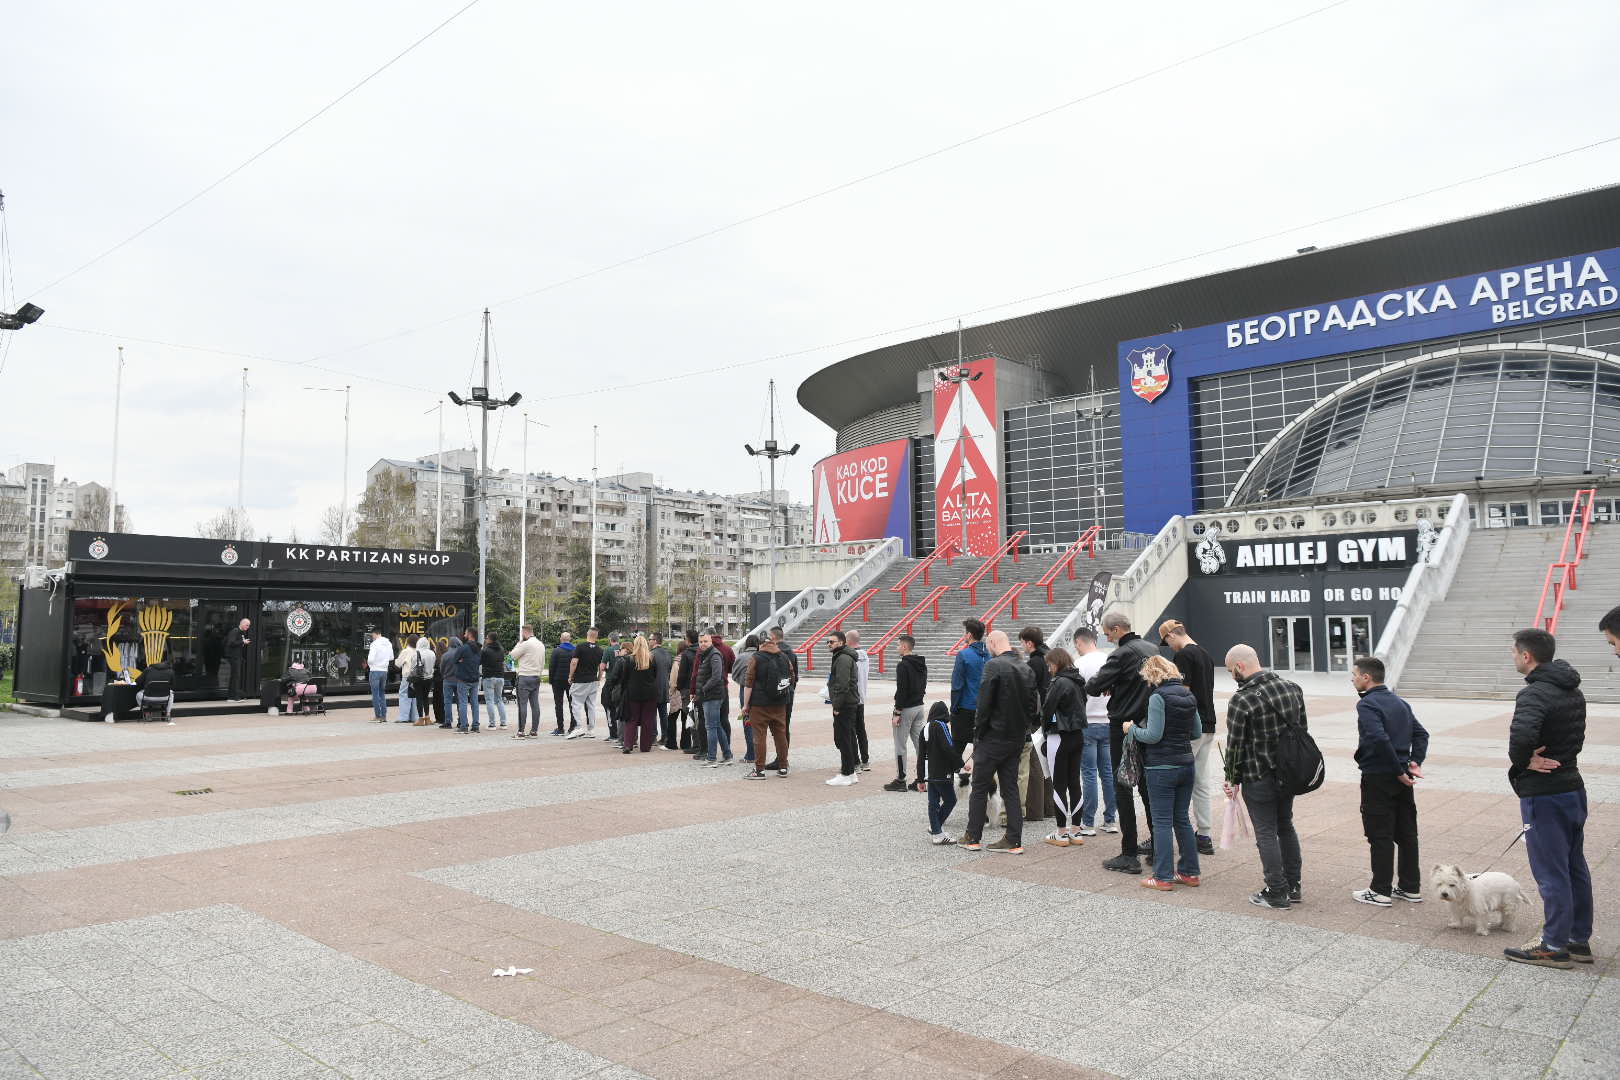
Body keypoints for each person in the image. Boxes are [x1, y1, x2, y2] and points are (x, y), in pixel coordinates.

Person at [1502, 628, 1591, 969]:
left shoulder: (1535, 694)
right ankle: (1577, 938)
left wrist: (1524, 760)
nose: (1512, 656)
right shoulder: (1571, 688)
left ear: (1527, 656)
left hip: (1545, 792)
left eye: (1514, 652)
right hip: (1572, 785)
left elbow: (1522, 736)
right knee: (1573, 865)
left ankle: (1554, 944)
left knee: (1551, 871)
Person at [1222, 643, 1308, 909]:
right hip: (1288, 773)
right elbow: (1302, 731)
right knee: (1286, 825)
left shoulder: (1242, 698)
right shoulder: (1293, 688)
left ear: (1240, 666)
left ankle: (1276, 890)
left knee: (1266, 832)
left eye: (1230, 671)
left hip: (1258, 774)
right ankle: (1293, 886)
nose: (1232, 676)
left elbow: (1235, 744)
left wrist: (1230, 778)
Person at [1349, 655, 1429, 907]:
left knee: (1379, 833)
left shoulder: (1367, 705)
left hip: (1380, 775)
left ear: (1366, 677)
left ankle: (1380, 889)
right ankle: (1410, 887)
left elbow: (1379, 738)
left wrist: (1397, 770)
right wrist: (1414, 762)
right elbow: (1421, 733)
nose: (1352, 679)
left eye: (1354, 675)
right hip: (1402, 775)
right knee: (1406, 832)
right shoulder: (1399, 702)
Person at [1084, 612, 1158, 874]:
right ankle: (1159, 847)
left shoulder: (1121, 654)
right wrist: (1116, 685)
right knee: (1149, 786)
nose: (1106, 637)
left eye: (1107, 633)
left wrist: (1110, 685)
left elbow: (1094, 686)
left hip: (1122, 724)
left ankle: (1129, 853)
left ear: (1116, 630)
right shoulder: (1151, 647)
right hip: (1148, 721)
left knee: (1122, 785)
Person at [1129, 655, 1201, 890]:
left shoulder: (1158, 697)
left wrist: (1132, 730)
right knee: (1182, 819)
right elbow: (1196, 733)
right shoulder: (1188, 694)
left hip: (1161, 767)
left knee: (1161, 822)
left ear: (1153, 675)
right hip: (1186, 764)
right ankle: (1189, 872)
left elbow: (1153, 735)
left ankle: (1162, 876)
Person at [960, 630, 1036, 853]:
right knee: (1010, 787)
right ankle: (1013, 839)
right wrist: (1024, 729)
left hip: (993, 736)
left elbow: (983, 705)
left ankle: (973, 836)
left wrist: (978, 734)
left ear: (992, 642)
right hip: (1015, 737)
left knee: (980, 786)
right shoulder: (1026, 667)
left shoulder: (994, 666)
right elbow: (1034, 706)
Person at [1159, 620, 1219, 855]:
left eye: (1167, 642)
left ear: (1172, 635)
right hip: (1208, 723)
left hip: (1190, 727)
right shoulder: (1205, 654)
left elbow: (1181, 693)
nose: (1169, 647)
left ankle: (1170, 833)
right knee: (1201, 782)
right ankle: (1203, 834)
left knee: (1174, 780)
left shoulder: (1184, 656)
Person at [1039, 647, 1086, 847]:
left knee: (1058, 785)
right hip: (1078, 735)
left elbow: (1047, 709)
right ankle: (1076, 831)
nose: (1049, 669)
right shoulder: (1078, 680)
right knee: (1074, 782)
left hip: (1059, 736)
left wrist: (1044, 729)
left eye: (1049, 665)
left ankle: (1061, 832)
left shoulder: (1059, 682)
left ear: (1056, 663)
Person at [1072, 627, 1116, 836]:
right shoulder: (1109, 660)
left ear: (1080, 642)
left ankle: (1088, 822)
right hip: (1108, 722)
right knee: (1107, 773)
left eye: (1076, 646)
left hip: (1087, 723)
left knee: (1088, 773)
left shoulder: (1078, 664)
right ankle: (1110, 820)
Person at [1010, 626, 1050, 824]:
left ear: (1029, 643)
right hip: (1051, 715)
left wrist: (1028, 718)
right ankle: (1049, 807)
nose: (1021, 646)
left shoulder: (1034, 662)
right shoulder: (1049, 655)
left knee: (1034, 762)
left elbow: (1031, 693)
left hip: (1037, 718)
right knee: (1047, 760)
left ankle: (1034, 810)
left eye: (1022, 642)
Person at [741, 632, 792, 779]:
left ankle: (759, 770)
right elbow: (792, 677)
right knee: (780, 735)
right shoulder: (784, 656)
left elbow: (748, 682)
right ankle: (783, 767)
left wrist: (745, 705)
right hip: (780, 703)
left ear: (760, 645)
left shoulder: (755, 658)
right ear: (773, 643)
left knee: (759, 737)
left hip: (759, 705)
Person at [885, 634, 927, 791]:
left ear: (904, 646)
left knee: (900, 745)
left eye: (898, 645)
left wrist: (897, 712)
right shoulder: (921, 663)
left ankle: (901, 779)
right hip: (919, 707)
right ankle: (923, 778)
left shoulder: (903, 665)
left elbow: (902, 690)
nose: (897, 648)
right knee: (920, 744)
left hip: (907, 708)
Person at [921, 701, 962, 844]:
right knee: (951, 800)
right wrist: (960, 764)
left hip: (930, 774)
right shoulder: (942, 726)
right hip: (943, 773)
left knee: (933, 803)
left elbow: (921, 755)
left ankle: (935, 829)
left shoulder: (924, 729)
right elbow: (948, 747)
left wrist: (920, 778)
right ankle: (937, 832)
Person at [825, 630, 861, 785]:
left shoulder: (843, 659)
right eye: (828, 641)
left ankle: (847, 773)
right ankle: (850, 772)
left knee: (843, 738)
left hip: (845, 704)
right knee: (845, 737)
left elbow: (843, 684)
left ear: (840, 642)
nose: (829, 644)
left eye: (831, 641)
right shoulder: (842, 656)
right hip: (848, 703)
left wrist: (837, 705)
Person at [761, 626, 799, 769]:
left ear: (773, 637)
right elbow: (795, 677)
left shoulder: (774, 653)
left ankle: (781, 760)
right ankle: (783, 759)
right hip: (788, 694)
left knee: (776, 728)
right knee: (784, 727)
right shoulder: (791, 653)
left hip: (774, 695)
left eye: (769, 637)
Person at [949, 618, 989, 748]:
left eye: (964, 632)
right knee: (981, 747)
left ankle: (953, 768)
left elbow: (957, 685)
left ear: (969, 634)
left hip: (966, 707)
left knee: (957, 747)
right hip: (985, 708)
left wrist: (953, 708)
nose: (963, 635)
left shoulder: (963, 655)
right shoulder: (989, 655)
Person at [696, 631, 733, 766]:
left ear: (711, 641)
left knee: (711, 727)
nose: (703, 644)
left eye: (705, 641)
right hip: (710, 695)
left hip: (713, 695)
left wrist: (704, 688)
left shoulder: (714, 655)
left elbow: (717, 676)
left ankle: (711, 758)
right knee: (716, 726)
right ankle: (727, 755)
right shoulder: (705, 654)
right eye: (700, 642)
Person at [621, 635, 660, 753]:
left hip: (633, 693)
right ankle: (645, 746)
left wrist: (624, 691)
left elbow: (624, 678)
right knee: (647, 720)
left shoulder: (629, 659)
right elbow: (655, 676)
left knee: (631, 719)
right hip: (650, 693)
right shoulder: (652, 659)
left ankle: (628, 745)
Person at [566, 627, 605, 739]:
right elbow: (601, 667)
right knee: (591, 705)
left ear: (587, 634)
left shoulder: (580, 647)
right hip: (593, 680)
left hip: (580, 680)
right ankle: (591, 729)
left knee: (576, 704)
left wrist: (570, 675)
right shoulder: (600, 650)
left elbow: (574, 662)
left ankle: (578, 727)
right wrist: (598, 678)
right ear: (596, 636)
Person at [511, 626, 546, 738]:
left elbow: (512, 656)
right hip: (536, 676)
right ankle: (534, 731)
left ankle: (521, 731)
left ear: (524, 632)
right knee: (535, 704)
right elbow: (543, 662)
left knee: (522, 704)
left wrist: (519, 643)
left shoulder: (526, 644)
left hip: (525, 676)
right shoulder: (541, 644)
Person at [443, 629, 481, 733]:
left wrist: (461, 661)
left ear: (469, 634)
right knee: (475, 702)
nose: (464, 635)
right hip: (475, 678)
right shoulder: (478, 648)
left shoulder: (463, 648)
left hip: (463, 678)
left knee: (463, 702)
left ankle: (464, 726)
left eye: (465, 633)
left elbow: (455, 660)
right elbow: (479, 661)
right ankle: (475, 725)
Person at [845, 628, 871, 772]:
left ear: (848, 641)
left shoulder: (850, 656)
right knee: (861, 729)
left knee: (851, 730)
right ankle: (865, 760)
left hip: (852, 697)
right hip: (861, 697)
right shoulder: (865, 655)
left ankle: (855, 761)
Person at [733, 634, 761, 763]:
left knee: (747, 723)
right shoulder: (762, 657)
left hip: (744, 691)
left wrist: (743, 681)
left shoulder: (741, 657)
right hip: (760, 692)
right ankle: (760, 753)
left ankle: (750, 754)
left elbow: (733, 675)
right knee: (760, 724)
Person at [677, 629, 702, 757]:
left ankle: (697, 745)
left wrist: (679, 688)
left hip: (688, 689)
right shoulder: (702, 651)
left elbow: (681, 674)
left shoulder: (686, 654)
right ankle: (702, 744)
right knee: (700, 717)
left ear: (687, 639)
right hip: (701, 688)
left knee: (692, 717)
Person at [650, 632, 674, 749]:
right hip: (664, 688)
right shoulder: (667, 654)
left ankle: (653, 737)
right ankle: (665, 736)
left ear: (655, 641)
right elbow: (669, 670)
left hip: (653, 689)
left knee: (652, 714)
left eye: (650, 639)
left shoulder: (651, 654)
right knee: (663, 715)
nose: (649, 641)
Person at [480, 633, 509, 730]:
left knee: (489, 701)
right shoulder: (501, 649)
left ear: (490, 639)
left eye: (487, 638)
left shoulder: (486, 650)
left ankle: (492, 724)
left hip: (489, 677)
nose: (486, 639)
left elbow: (480, 661)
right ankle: (503, 723)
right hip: (500, 677)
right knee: (499, 700)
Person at [547, 631, 574, 735]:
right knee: (573, 704)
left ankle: (560, 728)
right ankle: (572, 727)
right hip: (571, 681)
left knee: (558, 704)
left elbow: (551, 667)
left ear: (561, 639)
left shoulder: (556, 651)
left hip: (557, 681)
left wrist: (551, 680)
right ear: (570, 639)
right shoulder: (575, 650)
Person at [366, 629, 394, 722]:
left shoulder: (374, 644)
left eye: (372, 635)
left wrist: (371, 665)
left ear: (375, 634)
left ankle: (378, 715)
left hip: (375, 670)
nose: (372, 637)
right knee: (382, 693)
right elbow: (391, 657)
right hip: (384, 671)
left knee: (375, 694)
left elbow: (370, 659)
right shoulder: (388, 643)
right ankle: (384, 716)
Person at [410, 636, 436, 726]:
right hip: (429, 678)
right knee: (426, 698)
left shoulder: (417, 653)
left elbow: (413, 668)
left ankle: (420, 719)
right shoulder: (432, 653)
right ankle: (427, 717)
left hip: (419, 679)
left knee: (419, 698)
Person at [225, 617, 252, 700]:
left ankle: (232, 696)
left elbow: (235, 643)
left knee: (235, 676)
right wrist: (243, 642)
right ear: (242, 623)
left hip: (237, 657)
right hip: (234, 657)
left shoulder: (241, 633)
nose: (248, 627)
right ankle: (234, 697)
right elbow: (231, 643)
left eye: (248, 625)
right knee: (235, 676)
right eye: (247, 625)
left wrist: (242, 642)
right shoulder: (235, 631)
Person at [394, 642, 420, 724]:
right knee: (414, 695)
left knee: (404, 694)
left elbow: (398, 664)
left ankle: (404, 717)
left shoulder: (406, 651)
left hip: (407, 675)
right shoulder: (418, 651)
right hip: (416, 676)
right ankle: (414, 716)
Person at [431, 640, 449, 727]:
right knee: (443, 699)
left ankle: (439, 718)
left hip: (438, 681)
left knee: (437, 700)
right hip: (445, 680)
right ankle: (444, 718)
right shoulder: (446, 656)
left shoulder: (438, 658)